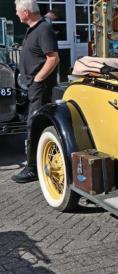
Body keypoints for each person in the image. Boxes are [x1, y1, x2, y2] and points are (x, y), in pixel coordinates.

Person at [12, 0, 59, 183]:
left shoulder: (44, 29)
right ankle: (37, 162)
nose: (16, 14)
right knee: (32, 124)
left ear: (26, 12)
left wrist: (38, 79)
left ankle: (32, 168)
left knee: (34, 125)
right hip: (32, 87)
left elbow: (53, 58)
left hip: (40, 87)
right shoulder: (34, 29)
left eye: (17, 11)